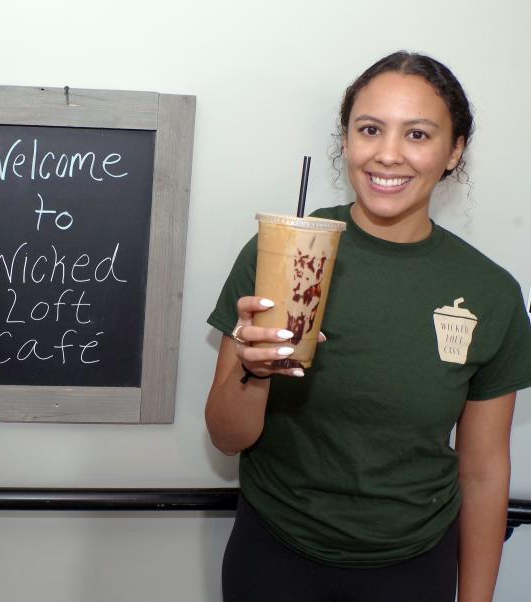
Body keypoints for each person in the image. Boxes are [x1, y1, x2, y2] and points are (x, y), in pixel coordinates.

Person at [204, 51, 531, 602]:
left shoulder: (491, 294)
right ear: (347, 140)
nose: (388, 154)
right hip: (274, 555)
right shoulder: (279, 257)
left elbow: (482, 472)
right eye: (370, 129)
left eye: (419, 135)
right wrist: (253, 371)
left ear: (454, 152)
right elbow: (227, 437)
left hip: (413, 567)